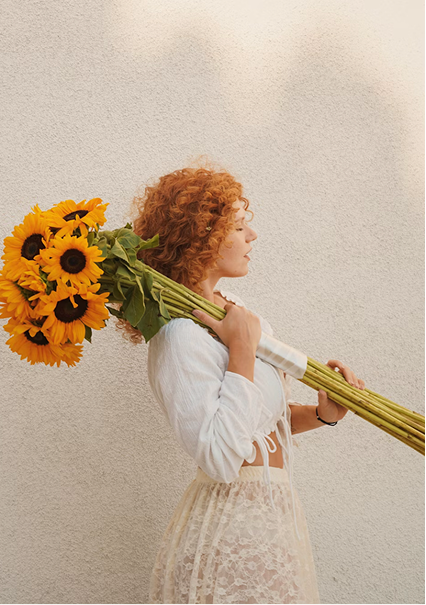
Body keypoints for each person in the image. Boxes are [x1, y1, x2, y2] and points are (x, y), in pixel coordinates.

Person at [114, 161, 366, 605]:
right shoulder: (178, 335)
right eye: (239, 226)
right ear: (201, 237)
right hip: (231, 529)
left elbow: (256, 417)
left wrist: (323, 416)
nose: (252, 237)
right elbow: (220, 456)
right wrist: (242, 350)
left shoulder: (236, 311)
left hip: (274, 519)